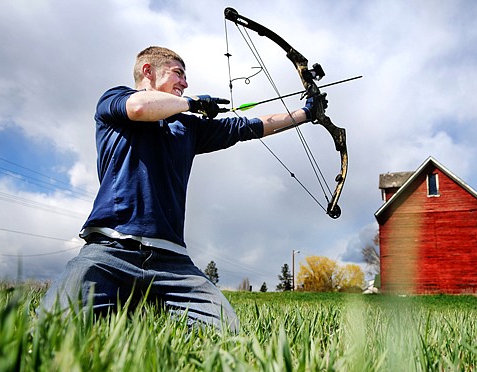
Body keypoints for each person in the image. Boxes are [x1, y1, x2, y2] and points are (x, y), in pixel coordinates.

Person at [40, 46, 320, 332]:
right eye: (178, 74)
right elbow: (139, 107)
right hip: (109, 252)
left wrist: (306, 113)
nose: (185, 83)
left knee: (226, 331)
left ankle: (141, 307)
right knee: (52, 328)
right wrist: (192, 102)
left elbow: (247, 127)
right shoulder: (115, 100)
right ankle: (131, 308)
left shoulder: (188, 127)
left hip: (171, 261)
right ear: (148, 70)